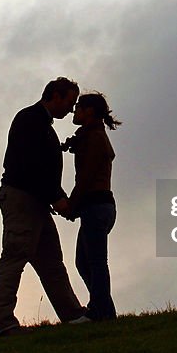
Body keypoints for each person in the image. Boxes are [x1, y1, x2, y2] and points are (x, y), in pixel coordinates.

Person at [0, 77, 89, 336]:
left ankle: (72, 314)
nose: (70, 109)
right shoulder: (30, 119)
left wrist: (56, 197)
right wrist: (57, 197)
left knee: (52, 263)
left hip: (37, 203)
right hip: (22, 199)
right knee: (15, 257)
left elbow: (41, 170)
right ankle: (4, 323)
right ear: (55, 95)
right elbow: (31, 166)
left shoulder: (42, 124)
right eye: (69, 101)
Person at [58, 92, 121, 321]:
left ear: (89, 112)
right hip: (97, 206)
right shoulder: (90, 136)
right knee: (85, 261)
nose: (74, 112)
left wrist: (71, 206)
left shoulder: (94, 138)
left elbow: (85, 178)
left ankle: (100, 311)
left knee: (94, 261)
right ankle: (104, 309)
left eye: (79, 108)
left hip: (95, 206)